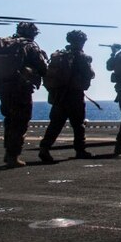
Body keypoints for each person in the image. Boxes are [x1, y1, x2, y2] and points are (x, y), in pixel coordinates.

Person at [0, 21, 48, 168]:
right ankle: (13, 155)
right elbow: (43, 68)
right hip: (20, 89)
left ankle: (9, 152)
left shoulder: (5, 44)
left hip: (2, 88)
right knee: (20, 121)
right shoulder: (29, 46)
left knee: (10, 119)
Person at [38, 30, 95, 163]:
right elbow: (90, 74)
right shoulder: (82, 57)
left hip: (59, 96)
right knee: (78, 125)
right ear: (81, 42)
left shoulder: (60, 56)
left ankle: (44, 148)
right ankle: (80, 150)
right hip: (75, 95)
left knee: (55, 124)